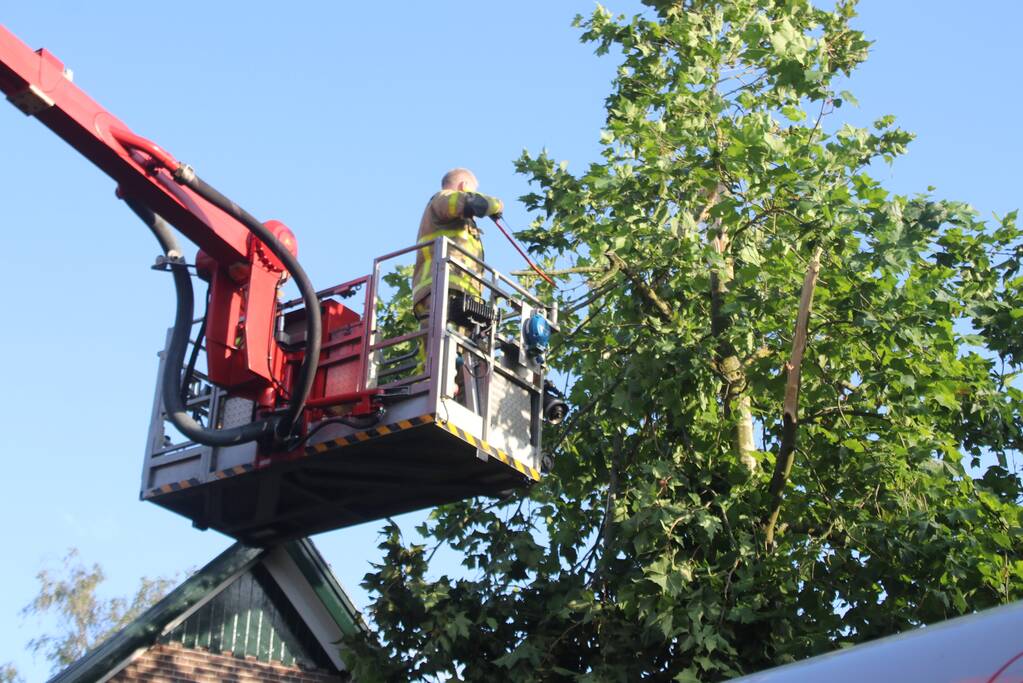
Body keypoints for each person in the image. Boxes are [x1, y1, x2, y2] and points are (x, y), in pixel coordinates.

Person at [411, 168, 504, 375]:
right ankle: (427, 388)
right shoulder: (442, 199)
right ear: (463, 186)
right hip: (440, 291)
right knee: (436, 360)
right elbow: (471, 203)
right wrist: (495, 204)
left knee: (460, 361)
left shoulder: (464, 224)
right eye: (471, 189)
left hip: (460, 298)